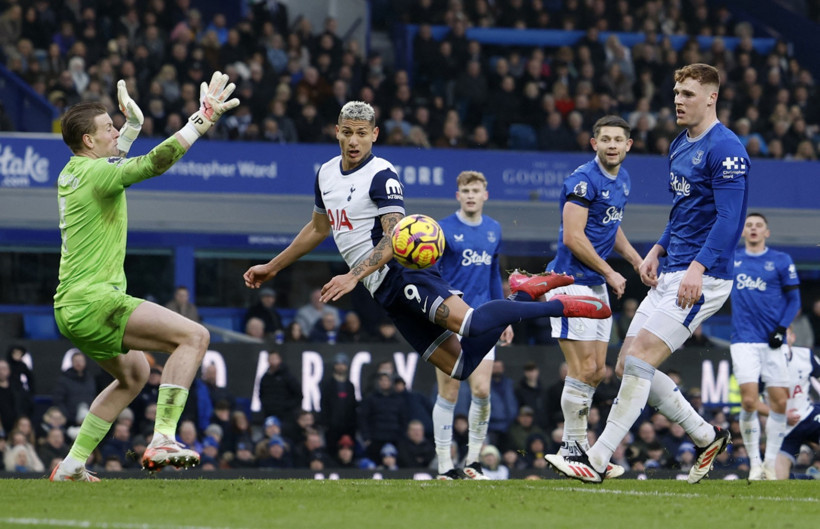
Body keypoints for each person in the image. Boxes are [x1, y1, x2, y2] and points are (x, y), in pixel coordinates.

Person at [243, 100, 611, 408]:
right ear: (336, 131)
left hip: (403, 275)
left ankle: (556, 304)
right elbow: (318, 228)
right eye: (347, 132)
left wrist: (352, 275)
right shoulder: (325, 173)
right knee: (462, 366)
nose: (353, 141)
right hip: (382, 292)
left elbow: (395, 238)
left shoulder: (381, 175)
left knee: (471, 324)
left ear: (375, 135)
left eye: (361, 133)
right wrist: (272, 266)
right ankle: (523, 291)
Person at [546, 63, 749, 484]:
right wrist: (657, 248)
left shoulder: (727, 148)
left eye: (688, 93)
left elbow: (729, 219)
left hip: (704, 277)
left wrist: (697, 266)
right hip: (672, 267)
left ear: (712, 97)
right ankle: (707, 436)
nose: (678, 99)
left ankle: (596, 459)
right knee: (624, 365)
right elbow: (684, 213)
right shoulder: (679, 144)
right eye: (676, 92)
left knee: (638, 360)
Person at [49, 73, 238, 481]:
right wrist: (200, 121)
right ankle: (163, 438)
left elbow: (112, 167)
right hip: (96, 300)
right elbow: (154, 163)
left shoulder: (73, 173)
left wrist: (132, 128)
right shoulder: (97, 175)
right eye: (108, 128)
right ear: (88, 141)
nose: (115, 130)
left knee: (134, 375)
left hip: (70, 308)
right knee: (194, 337)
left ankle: (71, 464)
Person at [543, 115, 642, 479]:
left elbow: (610, 226)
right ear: (594, 144)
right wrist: (610, 271)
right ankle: (571, 448)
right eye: (606, 139)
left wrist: (634, 259)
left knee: (597, 371)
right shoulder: (583, 180)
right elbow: (573, 236)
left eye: (619, 139)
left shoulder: (624, 180)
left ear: (629, 145)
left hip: (595, 284)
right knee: (583, 368)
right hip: (570, 282)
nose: (612, 145)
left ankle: (578, 451)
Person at [432, 169, 512, 480]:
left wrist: (502, 316)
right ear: (458, 195)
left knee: (481, 391)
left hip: (481, 321)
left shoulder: (494, 229)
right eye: (465, 190)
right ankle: (443, 466)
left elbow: (494, 275)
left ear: (485, 195)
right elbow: (433, 274)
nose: (470, 195)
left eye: (475, 190)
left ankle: (473, 461)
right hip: (448, 320)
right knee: (449, 393)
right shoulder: (442, 229)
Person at [730, 212, 801, 480]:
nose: (754, 229)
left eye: (759, 226)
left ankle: (770, 464)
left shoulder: (781, 261)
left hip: (773, 341)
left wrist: (781, 329)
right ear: (743, 231)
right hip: (743, 340)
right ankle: (755, 463)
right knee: (748, 401)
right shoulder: (732, 260)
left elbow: (794, 301)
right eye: (749, 225)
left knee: (780, 403)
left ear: (767, 232)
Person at [774, 329, 820, 479]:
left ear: (793, 337)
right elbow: (754, 401)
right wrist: (780, 415)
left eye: (785, 333)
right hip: (783, 424)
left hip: (808, 415)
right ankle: (810, 479)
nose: (781, 337)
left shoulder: (806, 355)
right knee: (775, 478)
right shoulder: (765, 363)